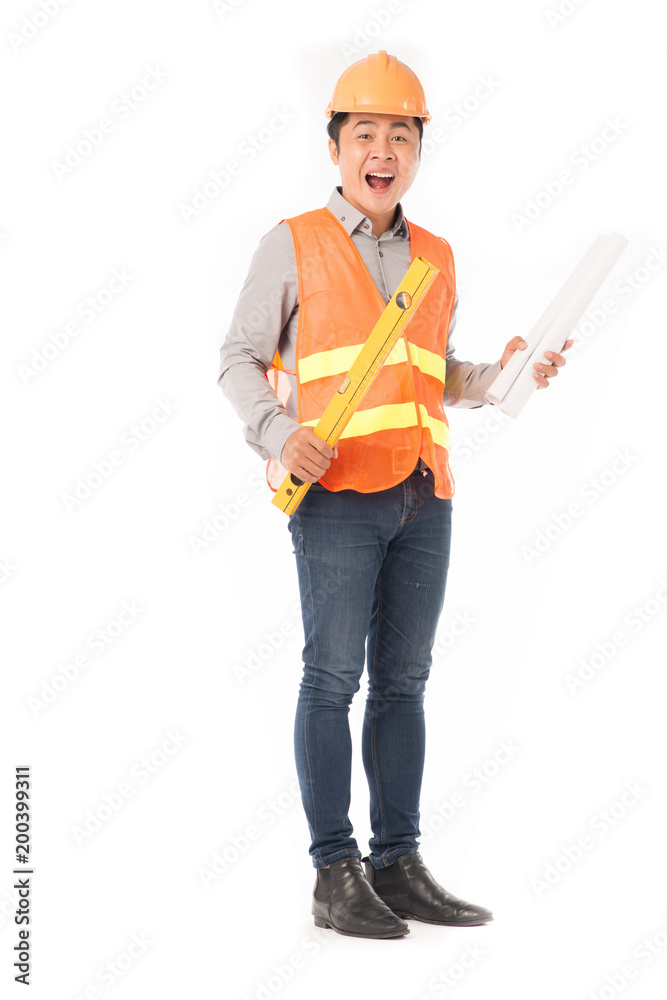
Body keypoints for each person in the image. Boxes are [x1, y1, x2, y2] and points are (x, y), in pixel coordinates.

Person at [218, 50, 571, 939]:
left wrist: (506, 375)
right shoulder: (292, 241)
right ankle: (334, 874)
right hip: (335, 494)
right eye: (366, 132)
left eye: (401, 134)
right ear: (335, 145)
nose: (384, 149)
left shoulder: (437, 256)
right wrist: (274, 433)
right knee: (331, 679)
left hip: (425, 489)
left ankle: (397, 861)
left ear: (417, 149)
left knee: (404, 685)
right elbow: (235, 359)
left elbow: (429, 370)